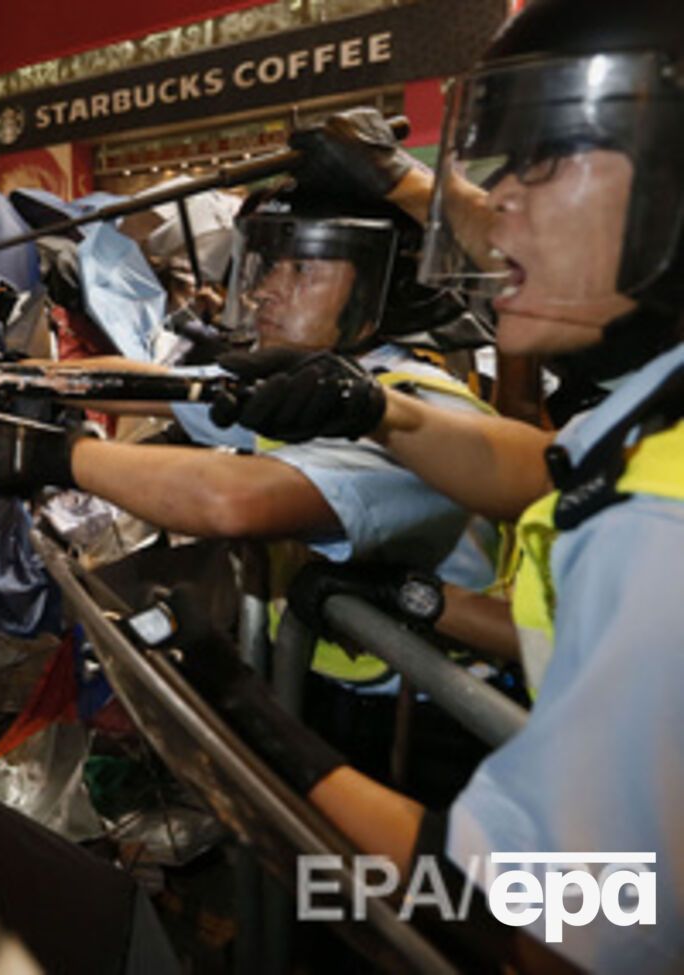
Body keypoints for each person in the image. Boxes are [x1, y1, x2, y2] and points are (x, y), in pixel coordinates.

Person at [212, 1, 684, 969]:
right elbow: (545, 466)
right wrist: (378, 414)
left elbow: (549, 926)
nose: (497, 201)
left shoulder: (657, 530)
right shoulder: (644, 409)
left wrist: (273, 751)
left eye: (545, 159)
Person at [0, 193, 504, 673]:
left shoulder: (414, 409)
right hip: (330, 688)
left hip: (436, 722)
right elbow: (152, 385)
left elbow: (232, 500)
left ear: (385, 282)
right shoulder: (312, 379)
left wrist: (62, 456)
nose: (265, 290)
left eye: (302, 268)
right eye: (270, 264)